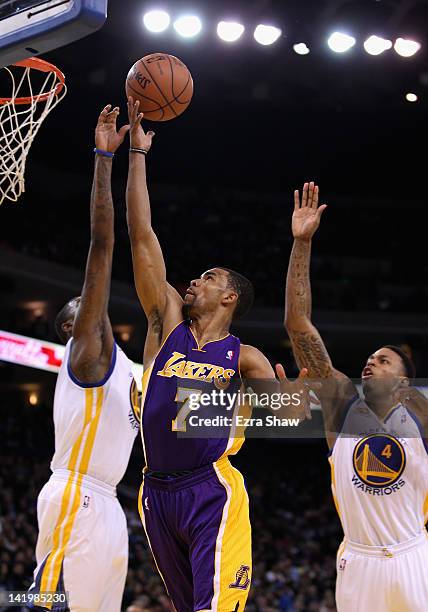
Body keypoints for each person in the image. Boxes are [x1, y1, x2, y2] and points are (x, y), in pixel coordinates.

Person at [125, 97, 309, 612]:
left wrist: (290, 396)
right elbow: (142, 236)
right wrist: (137, 155)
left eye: (207, 277)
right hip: (154, 492)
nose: (193, 280)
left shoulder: (244, 357)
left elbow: (292, 418)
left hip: (211, 488)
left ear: (230, 297)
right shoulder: (165, 322)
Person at [285, 181, 428, 612]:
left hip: (411, 553)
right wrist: (302, 244)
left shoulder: (422, 416)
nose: (371, 362)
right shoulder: (344, 404)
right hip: (358, 559)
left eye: (384, 360)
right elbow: (298, 323)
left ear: (404, 383)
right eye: (370, 357)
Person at [28, 105, 140, 612]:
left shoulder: (134, 372)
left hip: (111, 508)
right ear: (72, 329)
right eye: (84, 308)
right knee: (48, 605)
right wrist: (104, 159)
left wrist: (140, 156)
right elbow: (102, 245)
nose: (93, 307)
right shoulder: (87, 356)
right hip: (75, 494)